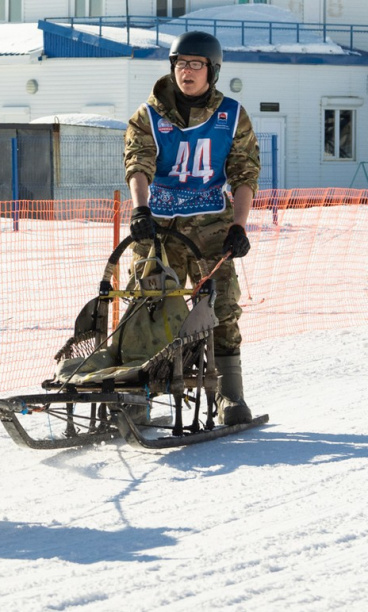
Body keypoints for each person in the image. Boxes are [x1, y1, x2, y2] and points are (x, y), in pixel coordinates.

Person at [123, 31, 261, 426]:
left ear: (212, 71)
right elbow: (138, 164)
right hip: (159, 226)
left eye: (195, 64)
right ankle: (139, 396)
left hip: (212, 227)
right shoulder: (147, 116)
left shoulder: (232, 115)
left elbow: (244, 173)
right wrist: (141, 210)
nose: (187, 71)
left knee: (222, 307)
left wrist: (238, 226)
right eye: (180, 63)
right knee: (146, 305)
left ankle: (228, 396)